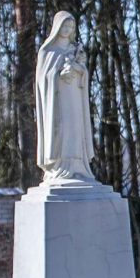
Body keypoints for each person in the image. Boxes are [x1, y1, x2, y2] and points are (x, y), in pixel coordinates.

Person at [35, 11, 96, 182]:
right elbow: (42, 80)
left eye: (70, 27)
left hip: (75, 98)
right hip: (57, 101)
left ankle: (79, 166)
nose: (67, 30)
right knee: (61, 130)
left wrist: (78, 69)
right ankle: (59, 167)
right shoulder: (47, 52)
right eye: (64, 26)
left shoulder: (75, 49)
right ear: (57, 27)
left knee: (76, 128)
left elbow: (84, 73)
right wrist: (58, 74)